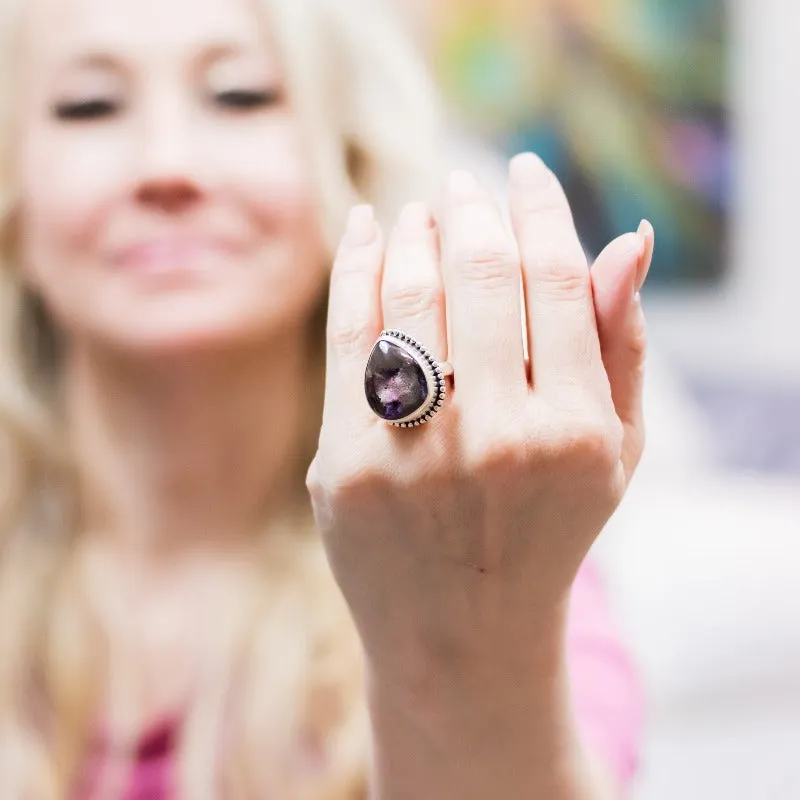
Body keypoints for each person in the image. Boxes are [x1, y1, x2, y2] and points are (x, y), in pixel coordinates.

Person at [0, 0, 654, 796]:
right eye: (90, 105)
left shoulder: (497, 569)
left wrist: (458, 633)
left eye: (240, 95)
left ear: (351, 165)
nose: (165, 165)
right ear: (14, 199)